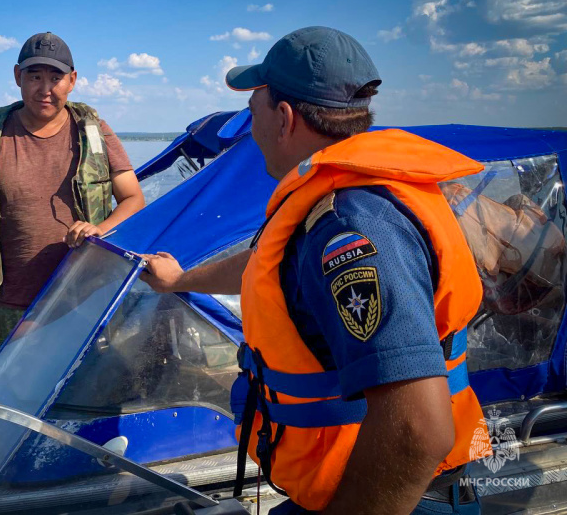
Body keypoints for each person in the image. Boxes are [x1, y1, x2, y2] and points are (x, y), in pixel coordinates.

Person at [141, 27, 490, 514]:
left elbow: (418, 429)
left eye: (252, 110)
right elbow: (273, 265)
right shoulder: (331, 209)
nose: (250, 124)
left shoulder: (351, 227)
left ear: (283, 118)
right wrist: (180, 281)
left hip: (396, 496)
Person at [0, 31, 144, 346]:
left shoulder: (94, 130)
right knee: (18, 392)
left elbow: (133, 198)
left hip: (90, 298)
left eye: (55, 78)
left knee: (98, 387)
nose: (45, 89)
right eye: (34, 76)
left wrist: (101, 229)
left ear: (72, 80)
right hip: (16, 307)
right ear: (17, 76)